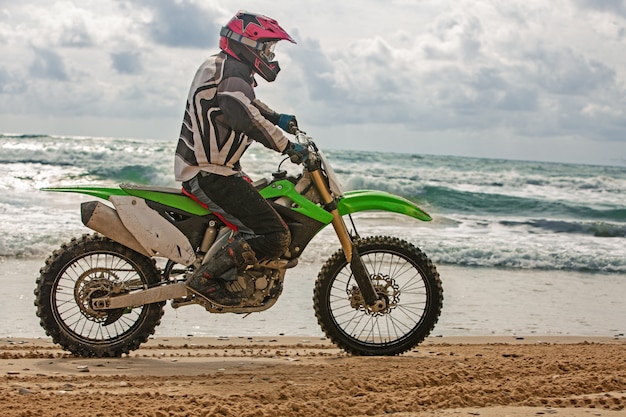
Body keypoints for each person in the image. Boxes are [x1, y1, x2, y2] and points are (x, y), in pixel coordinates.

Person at [174, 11, 309, 304]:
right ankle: (204, 280)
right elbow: (243, 116)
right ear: (249, 44)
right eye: (267, 48)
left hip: (215, 169)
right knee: (274, 235)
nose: (270, 56)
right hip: (209, 174)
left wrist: (277, 117)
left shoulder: (225, 68)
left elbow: (247, 103)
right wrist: (287, 146)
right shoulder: (231, 71)